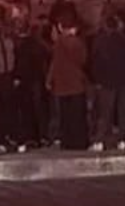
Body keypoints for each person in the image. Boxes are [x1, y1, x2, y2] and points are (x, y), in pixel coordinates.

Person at [90, 12, 125, 151]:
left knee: (106, 112)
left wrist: (97, 79)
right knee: (124, 111)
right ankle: (123, 139)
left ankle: (100, 141)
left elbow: (95, 62)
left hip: (107, 81)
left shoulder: (99, 41)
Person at [49, 16, 91, 151]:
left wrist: (50, 79)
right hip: (76, 84)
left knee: (65, 116)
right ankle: (80, 142)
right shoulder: (78, 43)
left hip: (61, 85)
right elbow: (83, 60)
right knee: (78, 115)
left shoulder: (57, 43)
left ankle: (67, 142)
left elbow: (54, 64)